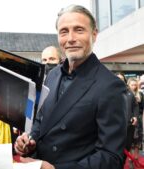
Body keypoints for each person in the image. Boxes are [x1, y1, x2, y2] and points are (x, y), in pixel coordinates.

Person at [14, 5, 127, 169]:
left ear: (94, 34)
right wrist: (30, 141)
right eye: (64, 31)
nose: (70, 38)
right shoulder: (52, 76)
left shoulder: (110, 86)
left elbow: (111, 157)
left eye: (79, 30)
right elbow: (41, 122)